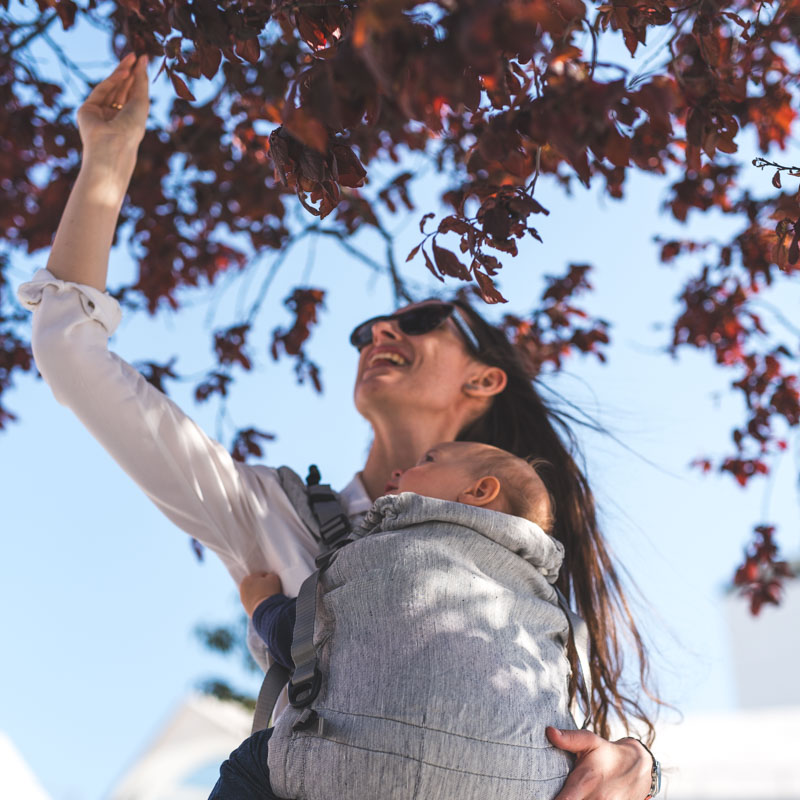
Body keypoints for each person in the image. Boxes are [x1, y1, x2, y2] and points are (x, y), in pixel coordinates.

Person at [17, 53, 661, 799]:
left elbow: (564, 750)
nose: (380, 331)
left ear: (484, 379)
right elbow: (70, 354)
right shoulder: (270, 515)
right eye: (365, 331)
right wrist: (108, 157)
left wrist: (638, 769)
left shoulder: (528, 573)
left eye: (420, 321)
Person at [214, 440, 566, 800]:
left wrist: (263, 603)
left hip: (362, 766)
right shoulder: (543, 601)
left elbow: (302, 638)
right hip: (521, 785)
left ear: (478, 491)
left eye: (428, 459)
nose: (398, 470)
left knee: (253, 760)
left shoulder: (388, 549)